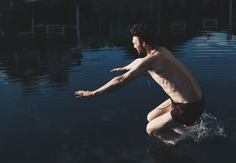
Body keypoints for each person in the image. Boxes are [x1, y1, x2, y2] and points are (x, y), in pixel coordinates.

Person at [75, 24, 204, 143]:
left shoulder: (152, 61)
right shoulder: (162, 51)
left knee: (151, 129)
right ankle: (187, 129)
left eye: (135, 43)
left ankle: (187, 142)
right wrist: (127, 66)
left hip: (189, 107)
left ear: (143, 43)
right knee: (151, 117)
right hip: (195, 100)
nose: (133, 46)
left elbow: (121, 80)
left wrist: (94, 93)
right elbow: (141, 61)